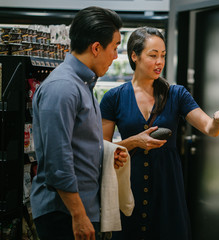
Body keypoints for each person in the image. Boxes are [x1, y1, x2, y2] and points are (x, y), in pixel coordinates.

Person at [100, 27, 219, 240]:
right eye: (153, 55)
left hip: (168, 190)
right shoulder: (114, 98)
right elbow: (102, 148)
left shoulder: (177, 94)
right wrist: (135, 142)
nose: (160, 62)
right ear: (134, 56)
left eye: (163, 56)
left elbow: (209, 128)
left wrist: (218, 118)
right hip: (129, 189)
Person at [30, 6, 127, 240]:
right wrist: (78, 214)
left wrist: (103, 153)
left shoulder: (82, 85)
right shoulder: (63, 87)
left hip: (79, 209)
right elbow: (57, 159)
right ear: (96, 48)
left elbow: (76, 144)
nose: (116, 56)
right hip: (63, 213)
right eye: (114, 48)